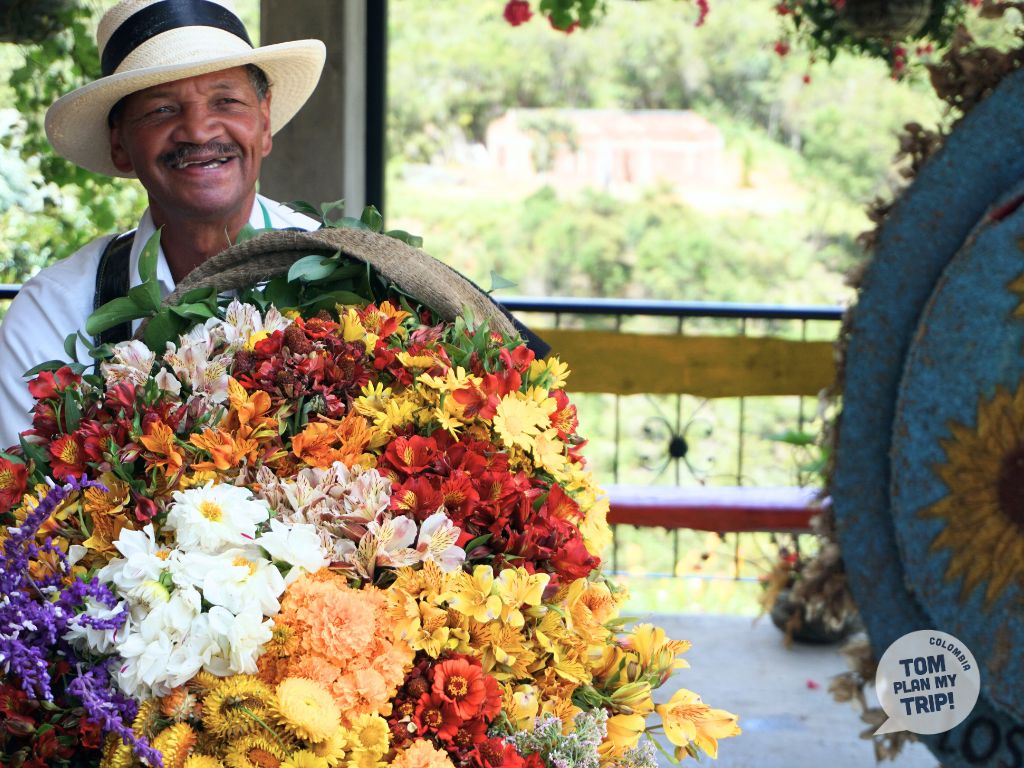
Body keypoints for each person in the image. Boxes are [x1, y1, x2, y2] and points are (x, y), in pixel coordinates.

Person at [0, 0, 326, 448]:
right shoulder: (55, 314)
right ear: (120, 144)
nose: (198, 131)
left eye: (226, 100)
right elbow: (31, 511)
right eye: (162, 110)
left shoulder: (342, 271)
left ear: (264, 121)